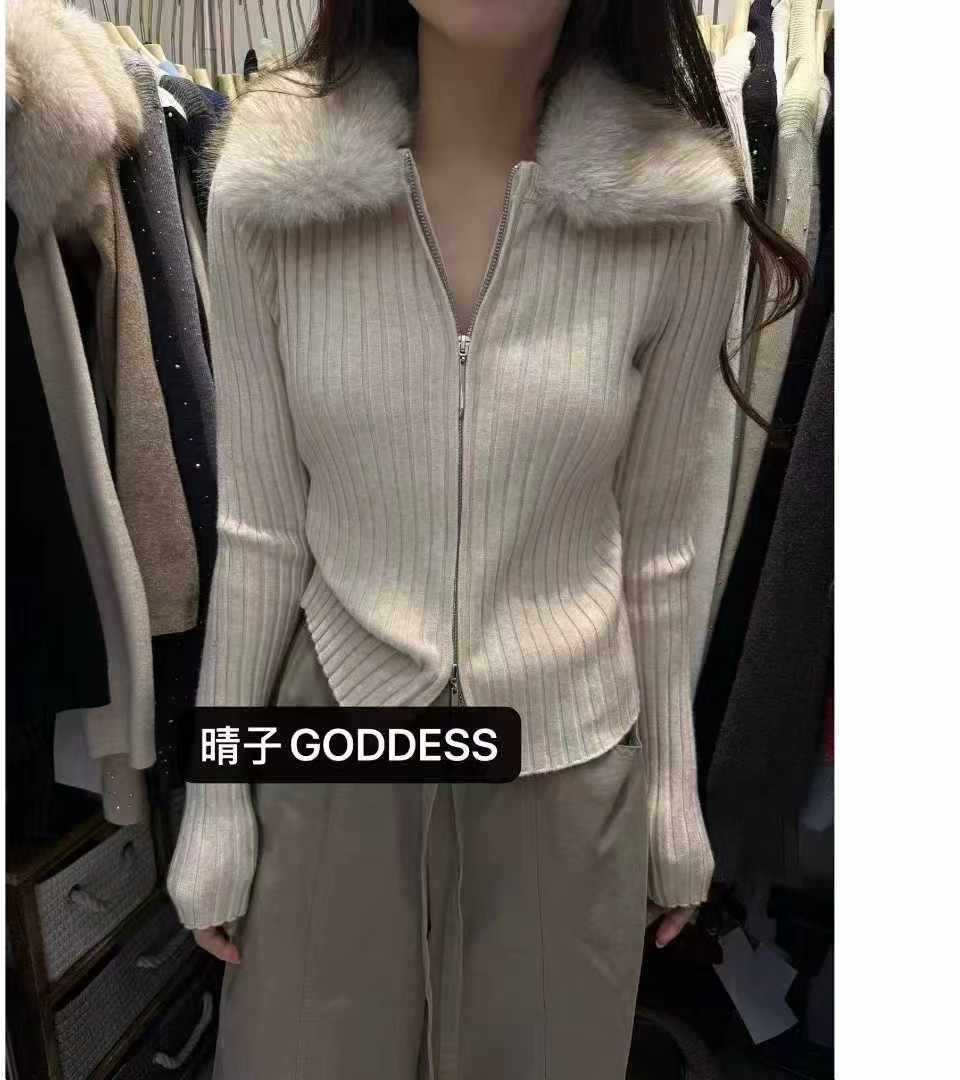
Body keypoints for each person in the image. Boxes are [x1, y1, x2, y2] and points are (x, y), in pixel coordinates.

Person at [167, 2, 808, 1077]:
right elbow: (261, 527)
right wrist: (215, 798)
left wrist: (670, 791)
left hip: (567, 763)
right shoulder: (268, 192)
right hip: (333, 745)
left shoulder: (676, 209)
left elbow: (659, 543)